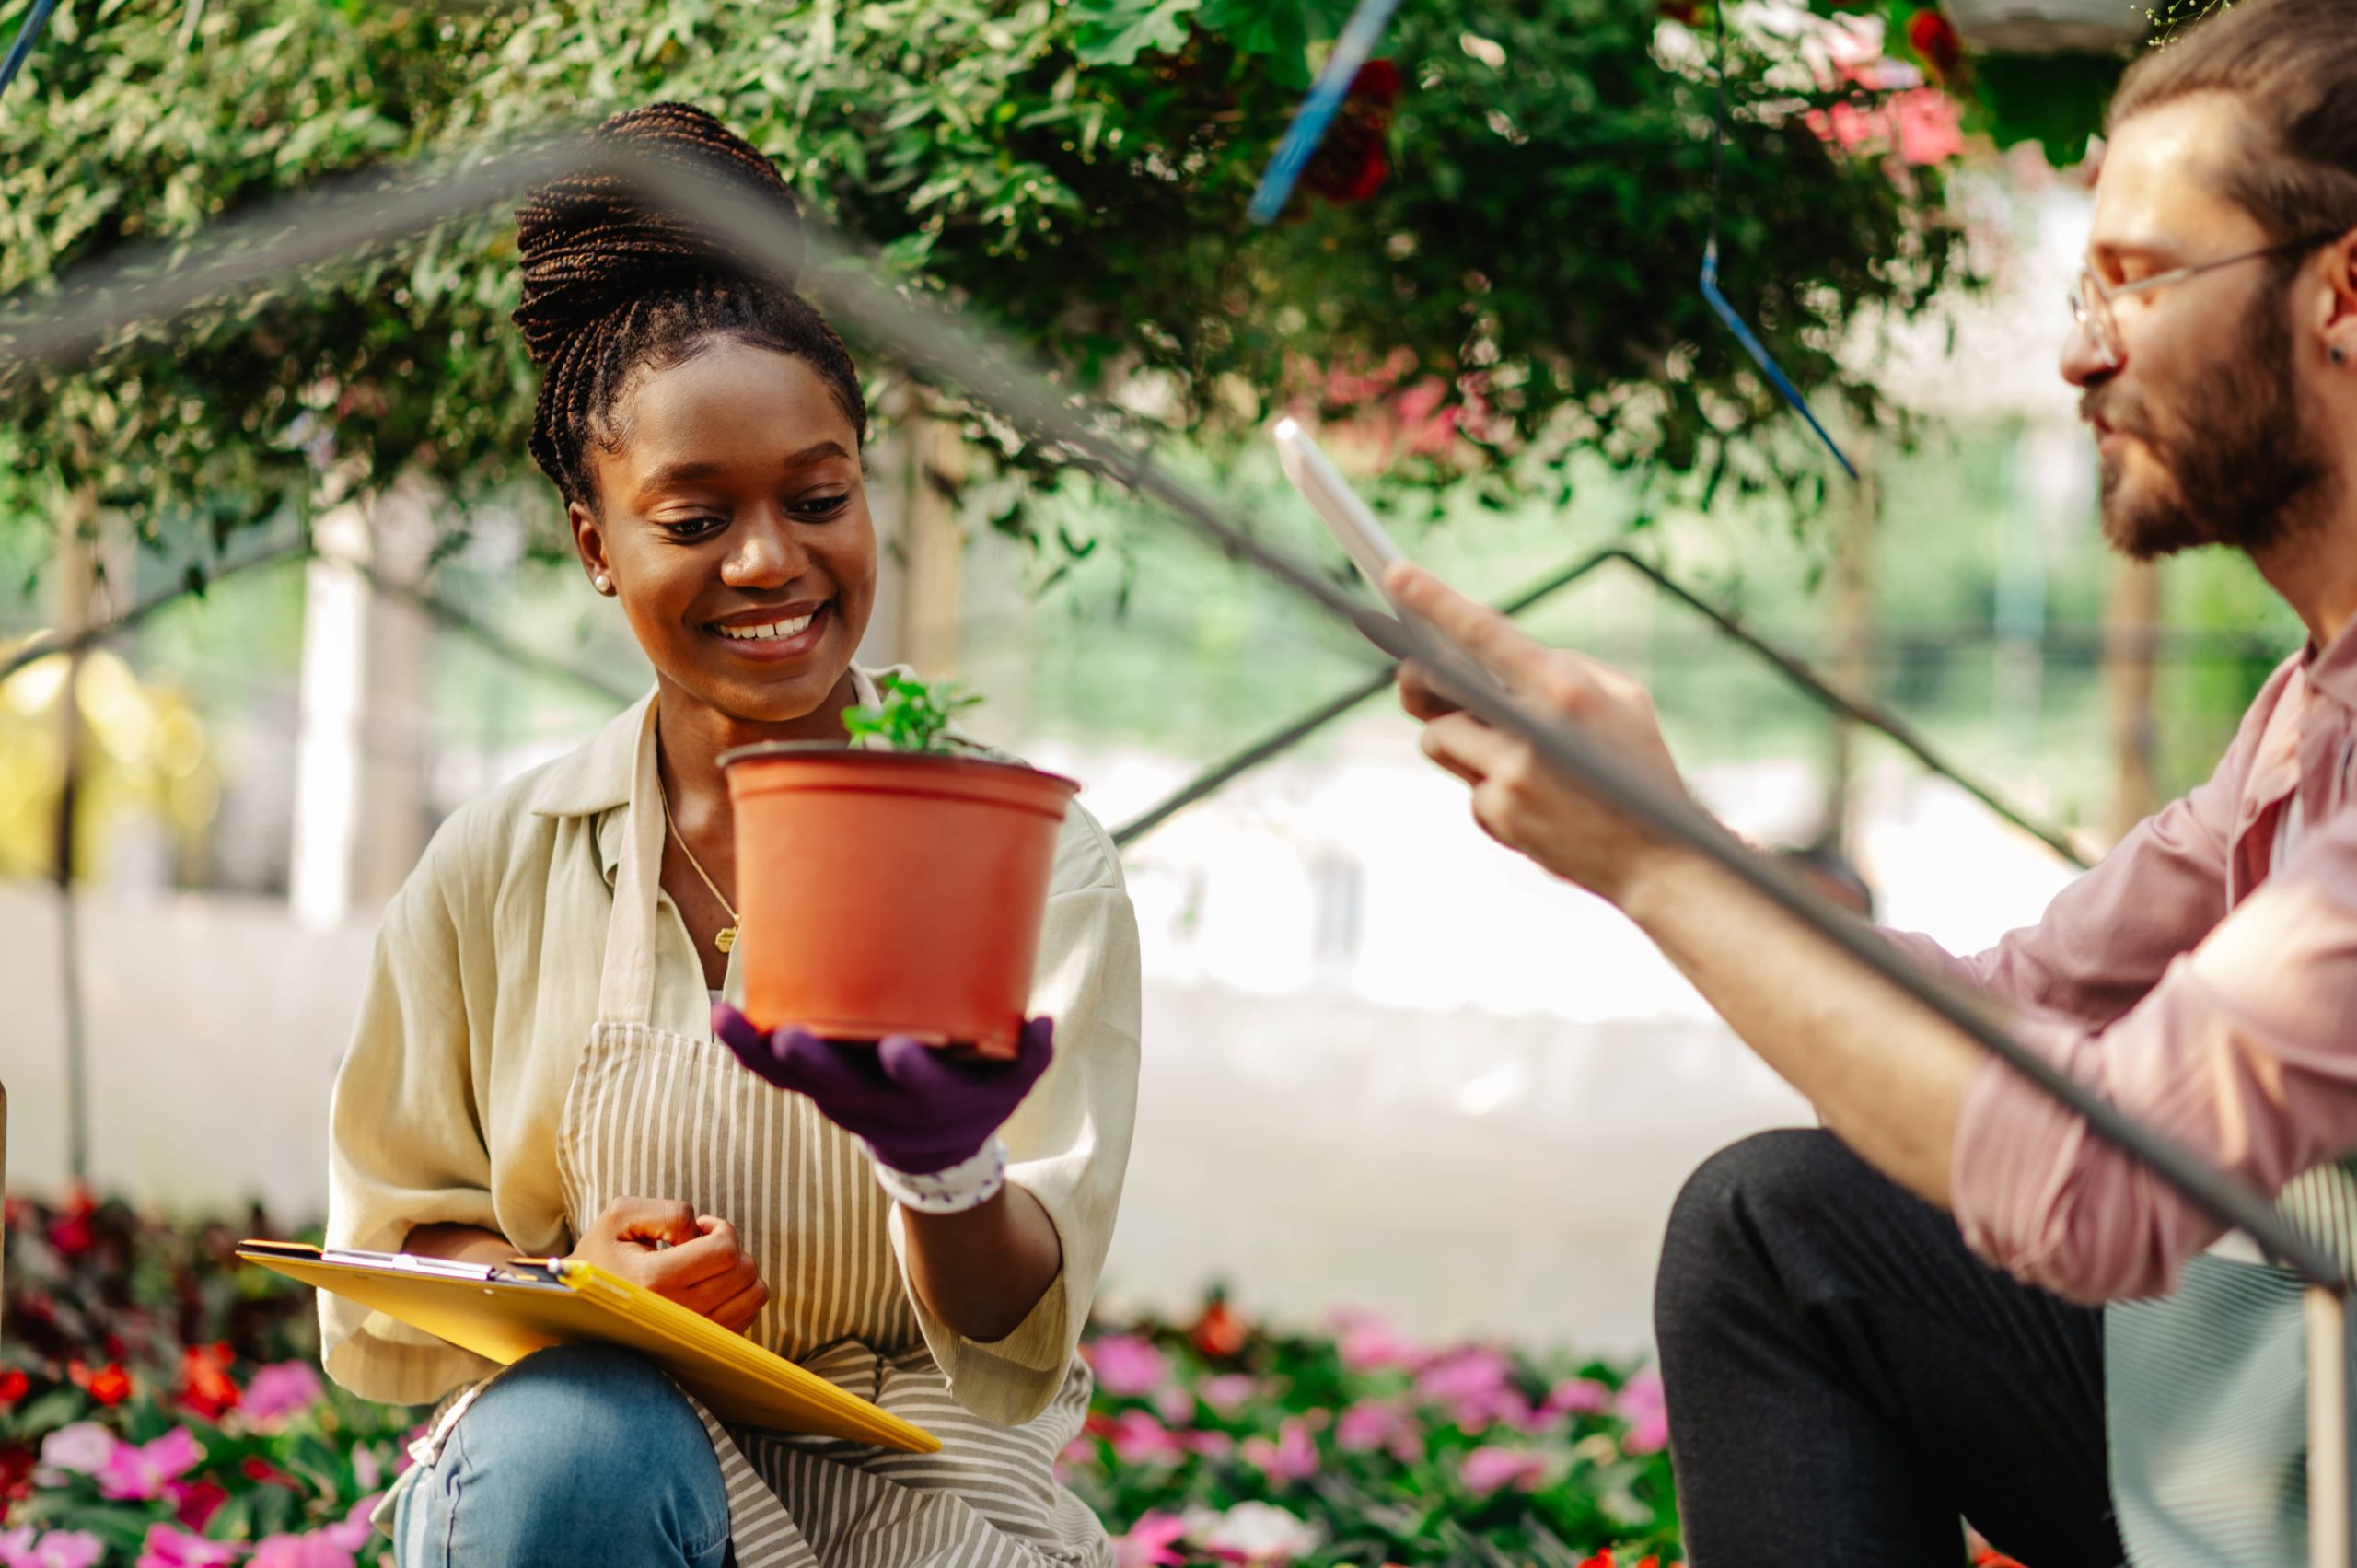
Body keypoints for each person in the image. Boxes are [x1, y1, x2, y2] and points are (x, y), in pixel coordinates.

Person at [1389, 1, 2357, 1562]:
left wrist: (1660, 869)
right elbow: (2020, 1002)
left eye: (2141, 279)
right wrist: (1664, 826)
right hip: (2292, 1408)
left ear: (2344, 293)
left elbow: (2100, 1183)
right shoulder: (2302, 714)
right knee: (1781, 1225)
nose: (2078, 350)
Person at [319, 103, 1142, 1568]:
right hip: (612, 1479)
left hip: (932, 1487)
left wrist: (941, 1163)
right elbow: (392, 1240)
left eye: (817, 498)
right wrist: (569, 1278)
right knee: (573, 1441)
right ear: (593, 541)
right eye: (693, 519)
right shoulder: (503, 862)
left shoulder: (1024, 851)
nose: (772, 561)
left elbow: (1024, 1314)